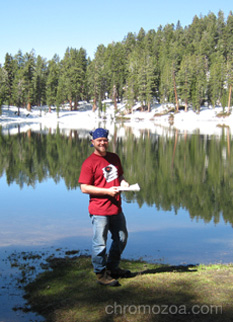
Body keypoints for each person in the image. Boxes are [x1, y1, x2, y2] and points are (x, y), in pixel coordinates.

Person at [78, 128, 131, 286]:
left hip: (116, 208)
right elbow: (84, 187)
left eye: (104, 140)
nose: (102, 142)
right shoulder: (89, 163)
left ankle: (113, 268)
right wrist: (107, 191)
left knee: (121, 238)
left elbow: (119, 175)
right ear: (93, 142)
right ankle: (100, 273)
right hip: (99, 210)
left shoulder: (114, 158)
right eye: (99, 140)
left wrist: (124, 183)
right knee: (100, 242)